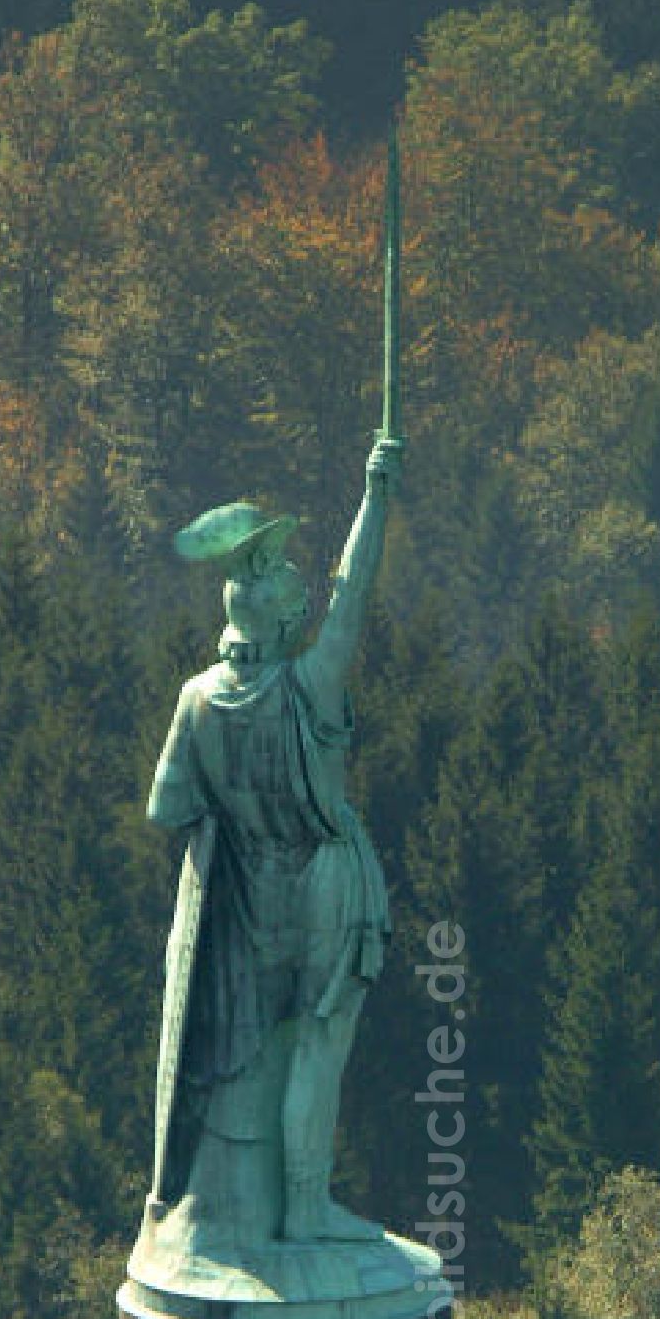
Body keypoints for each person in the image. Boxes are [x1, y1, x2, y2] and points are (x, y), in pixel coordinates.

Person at [144, 437, 402, 1253]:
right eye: (296, 583)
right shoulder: (309, 683)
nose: (306, 585)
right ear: (289, 616)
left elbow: (167, 806)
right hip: (325, 882)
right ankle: (303, 1208)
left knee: (264, 1051)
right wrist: (376, 496)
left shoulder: (196, 698)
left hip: (249, 896)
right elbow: (354, 590)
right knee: (315, 1051)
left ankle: (256, 1206)